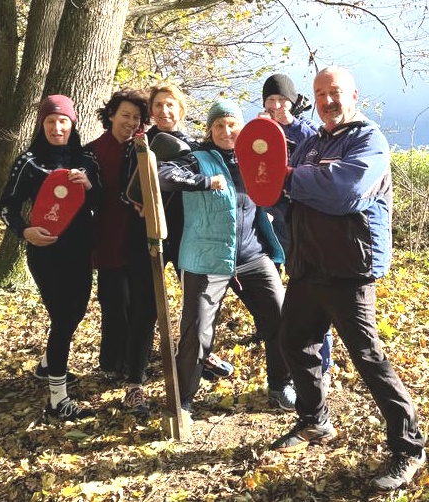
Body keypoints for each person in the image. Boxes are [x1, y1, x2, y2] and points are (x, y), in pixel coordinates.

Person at [270, 66, 425, 491]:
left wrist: (290, 178)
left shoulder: (367, 140)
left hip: (348, 269)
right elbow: (283, 191)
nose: (327, 100)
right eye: (320, 94)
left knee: (368, 360)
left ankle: (410, 448)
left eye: (335, 92)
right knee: (294, 343)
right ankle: (315, 421)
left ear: (354, 95)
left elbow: (345, 192)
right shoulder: (313, 142)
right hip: (308, 267)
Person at [157, 99, 297, 413]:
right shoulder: (197, 159)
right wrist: (203, 182)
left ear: (241, 128)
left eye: (231, 124)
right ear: (210, 130)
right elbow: (164, 175)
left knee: (281, 319)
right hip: (206, 260)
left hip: (253, 256)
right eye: (218, 125)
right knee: (197, 333)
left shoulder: (250, 160)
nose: (226, 130)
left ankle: (279, 385)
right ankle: (184, 401)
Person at [120, 85, 233, 416]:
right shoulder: (138, 145)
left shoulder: (195, 148)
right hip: (148, 236)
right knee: (146, 309)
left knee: (198, 304)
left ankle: (202, 356)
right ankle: (134, 384)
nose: (164, 111)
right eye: (158, 105)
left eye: (171, 105)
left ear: (181, 110)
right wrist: (135, 203)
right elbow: (122, 190)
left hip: (187, 236)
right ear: (151, 111)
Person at [0, 95, 100, 420]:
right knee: (62, 319)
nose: (57, 128)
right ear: (42, 125)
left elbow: (108, 201)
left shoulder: (87, 160)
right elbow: (5, 206)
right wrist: (24, 231)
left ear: (73, 124)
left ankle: (46, 366)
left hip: (81, 253)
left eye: (63, 121)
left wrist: (91, 186)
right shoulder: (29, 161)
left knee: (76, 314)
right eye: (50, 122)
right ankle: (58, 400)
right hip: (45, 255)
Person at [260, 74, 335, 387]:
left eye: (282, 100)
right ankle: (283, 348)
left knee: (313, 292)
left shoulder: (307, 132)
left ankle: (324, 364)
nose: (277, 106)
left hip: (302, 223)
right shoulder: (259, 131)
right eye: (271, 101)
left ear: (291, 102)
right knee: (277, 292)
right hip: (270, 221)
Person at [87, 89, 149, 377]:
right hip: (108, 238)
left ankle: (134, 363)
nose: (131, 122)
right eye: (125, 115)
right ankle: (111, 363)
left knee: (139, 305)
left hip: (140, 238)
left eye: (136, 117)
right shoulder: (93, 151)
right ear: (111, 115)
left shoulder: (144, 148)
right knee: (114, 304)